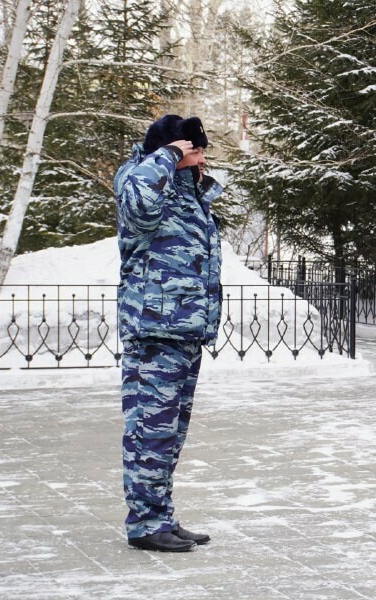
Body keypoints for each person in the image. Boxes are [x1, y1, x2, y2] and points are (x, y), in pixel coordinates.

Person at [114, 115, 222, 552]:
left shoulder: (186, 195)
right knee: (148, 430)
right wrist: (169, 154)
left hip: (184, 332)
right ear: (168, 152)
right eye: (191, 151)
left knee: (169, 435)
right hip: (154, 331)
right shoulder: (140, 183)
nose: (199, 159)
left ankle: (159, 516)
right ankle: (144, 525)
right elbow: (139, 201)